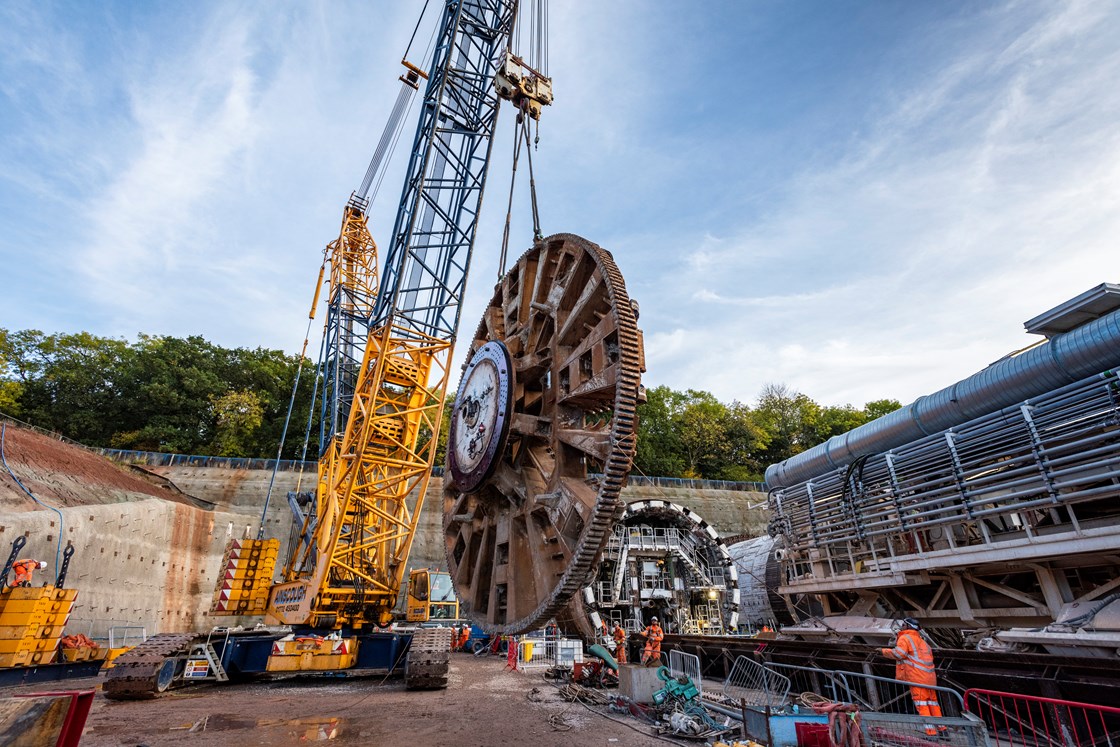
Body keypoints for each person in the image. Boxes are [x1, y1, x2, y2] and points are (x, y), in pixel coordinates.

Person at [880, 618, 943, 735]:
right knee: (933, 704)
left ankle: (931, 733)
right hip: (929, 678)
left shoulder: (905, 638)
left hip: (917, 678)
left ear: (908, 626)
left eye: (903, 624)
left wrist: (883, 651)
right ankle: (943, 730)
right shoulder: (923, 641)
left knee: (922, 705)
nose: (902, 626)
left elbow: (899, 654)